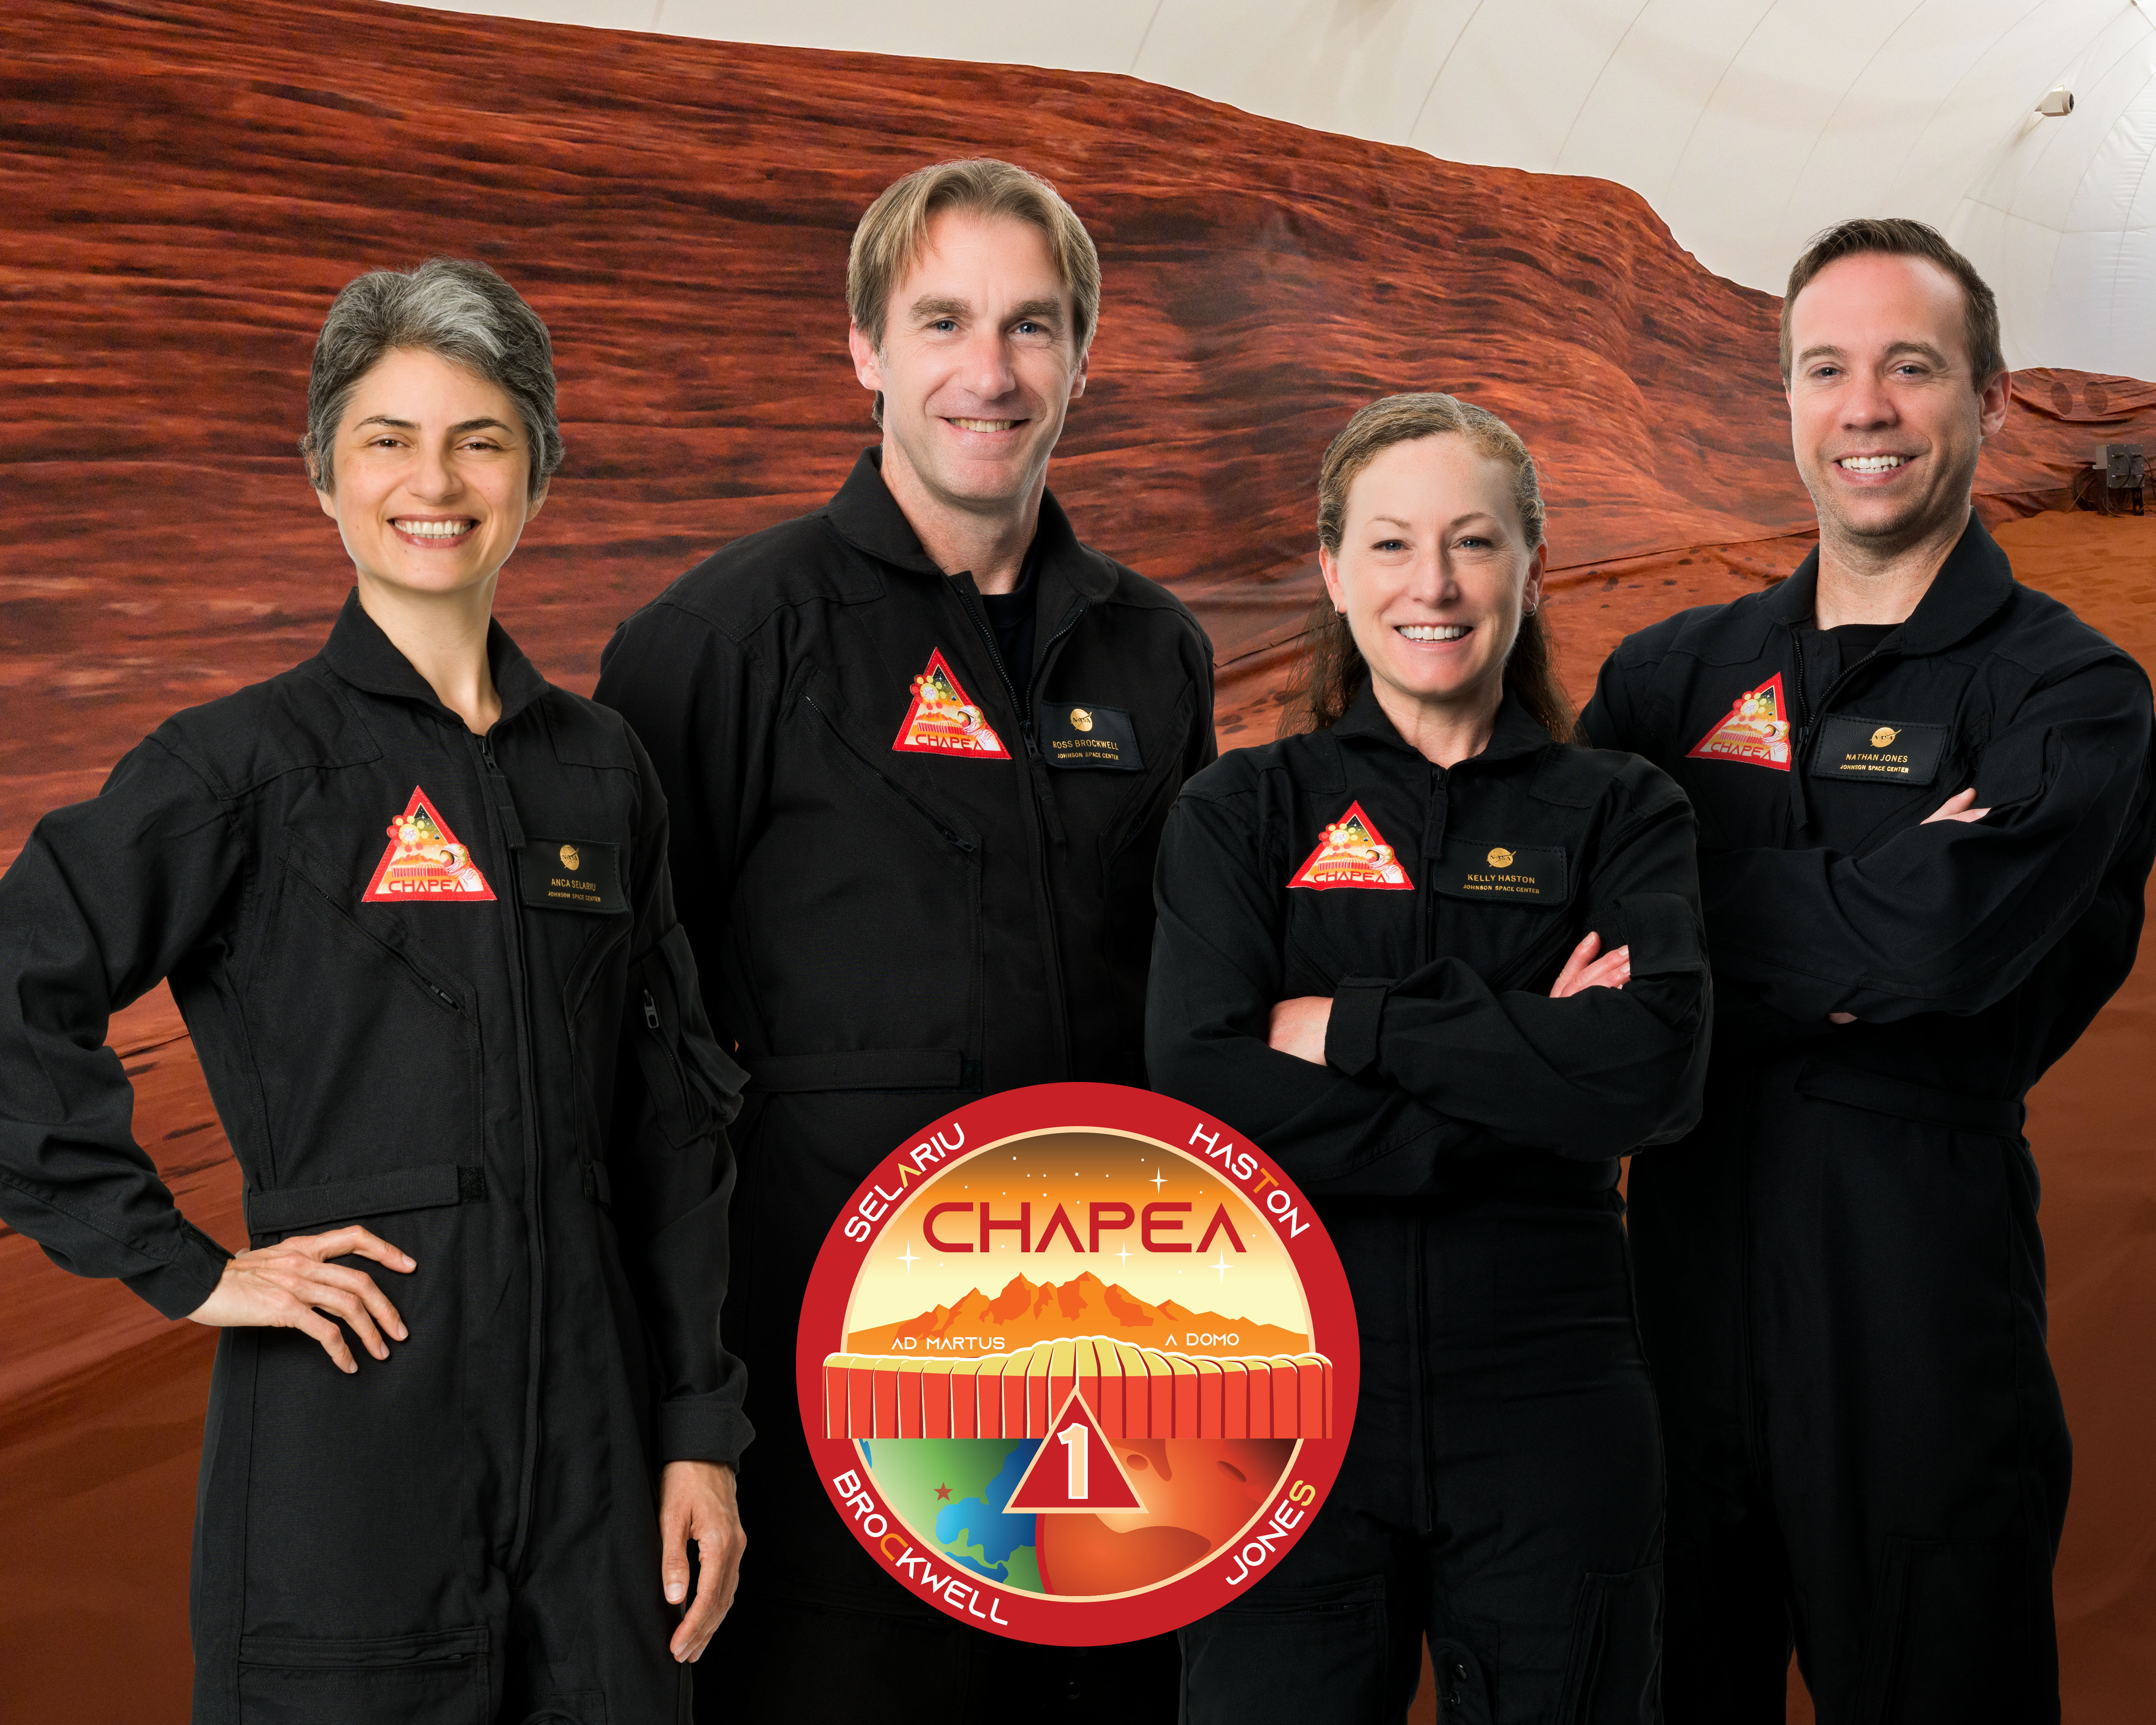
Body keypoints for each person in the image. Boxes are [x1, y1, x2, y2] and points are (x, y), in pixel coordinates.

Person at [0, 259, 749, 1723]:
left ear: (536, 474)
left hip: (602, 1468)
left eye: (481, 437)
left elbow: (673, 1128)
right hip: (353, 1450)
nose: (436, 480)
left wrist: (696, 1431)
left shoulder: (604, 771)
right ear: (324, 480)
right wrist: (189, 1265)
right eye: (387, 439)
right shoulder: (241, 769)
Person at [593, 159, 1216, 1721]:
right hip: (821, 1373)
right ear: (865, 347)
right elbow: (625, 1051)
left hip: (1116, 1370)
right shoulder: (718, 645)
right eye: (942, 321)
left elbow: (1199, 991)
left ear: (1082, 356)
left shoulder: (1155, 652)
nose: (988, 372)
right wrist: (675, 1407)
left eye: (1031, 327)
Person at [1580, 218, 2156, 1722]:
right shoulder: (1666, 676)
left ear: (1993, 398)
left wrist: (1686, 925)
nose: (1868, 408)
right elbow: (1556, 950)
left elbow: (1948, 946)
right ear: (1783, 400)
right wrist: (1868, 930)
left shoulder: (2077, 695)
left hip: (1920, 1314)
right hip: (1674, 1312)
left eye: (1912, 366)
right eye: (1827, 368)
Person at [1147, 392, 1711, 1723]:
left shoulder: (1624, 812)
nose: (1435, 585)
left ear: (1532, 561)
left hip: (1552, 1399)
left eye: (1473, 542)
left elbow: (1654, 1078)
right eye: (1392, 546)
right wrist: (1521, 1095)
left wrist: (1352, 1027)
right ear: (1335, 573)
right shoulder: (1241, 812)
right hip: (1272, 1395)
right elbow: (1205, 1084)